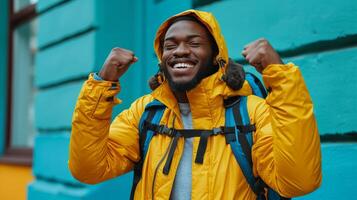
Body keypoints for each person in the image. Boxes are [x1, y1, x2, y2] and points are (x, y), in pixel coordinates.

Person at [69, 9, 322, 200]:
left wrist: (279, 75)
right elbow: (89, 169)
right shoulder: (146, 112)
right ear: (162, 58)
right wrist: (101, 84)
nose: (179, 51)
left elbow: (298, 181)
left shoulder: (251, 111)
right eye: (170, 45)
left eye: (194, 43)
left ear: (216, 56)